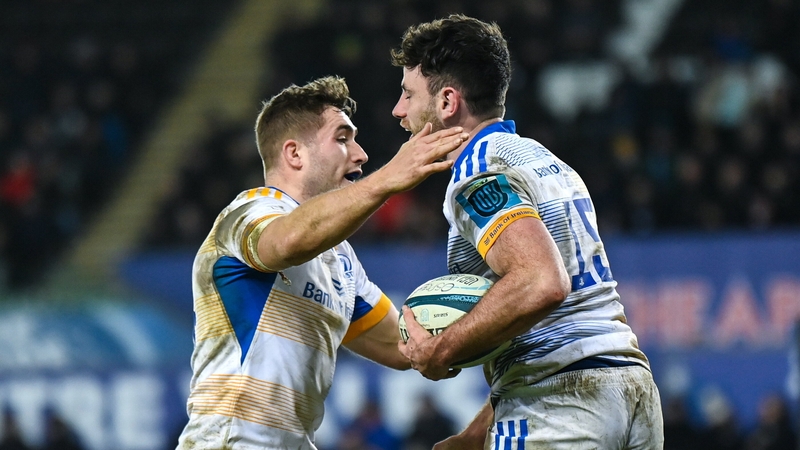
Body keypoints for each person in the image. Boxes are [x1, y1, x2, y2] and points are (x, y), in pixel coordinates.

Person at [392, 15, 664, 449]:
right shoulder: (543, 160)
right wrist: (475, 435)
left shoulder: (479, 171)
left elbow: (542, 283)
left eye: (408, 94)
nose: (398, 109)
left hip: (561, 402)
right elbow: (568, 317)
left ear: (447, 102)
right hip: (629, 389)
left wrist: (442, 349)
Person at [175, 76, 468, 449]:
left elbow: (402, 345)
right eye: (342, 138)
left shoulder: (340, 258)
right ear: (295, 154)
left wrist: (496, 323)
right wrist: (388, 179)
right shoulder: (248, 212)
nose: (361, 154)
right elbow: (287, 241)